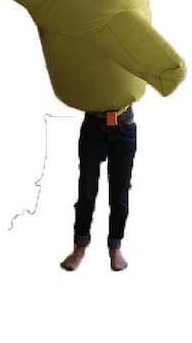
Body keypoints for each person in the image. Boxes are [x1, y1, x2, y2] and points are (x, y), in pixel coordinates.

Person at [60, 104, 137, 272]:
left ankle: (115, 247)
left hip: (124, 127)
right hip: (93, 127)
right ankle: (80, 246)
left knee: (120, 193)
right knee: (87, 191)